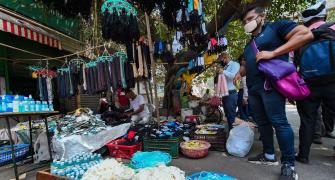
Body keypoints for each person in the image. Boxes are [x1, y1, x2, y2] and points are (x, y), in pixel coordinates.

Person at [237, 4, 313, 180]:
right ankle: (268, 154)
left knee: (279, 122)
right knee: (262, 123)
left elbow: (305, 34)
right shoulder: (249, 44)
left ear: (261, 16)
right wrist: (239, 72)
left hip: (270, 86)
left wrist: (273, 53)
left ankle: (288, 165)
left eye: (250, 19)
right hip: (254, 89)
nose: (247, 23)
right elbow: (248, 64)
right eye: (244, 21)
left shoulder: (276, 27)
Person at [295, 0, 335, 164]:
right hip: (333, 82)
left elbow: (293, 64)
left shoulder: (300, 36)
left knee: (307, 120)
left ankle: (303, 155)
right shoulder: (333, 28)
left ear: (306, 20)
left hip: (308, 85)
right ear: (324, 15)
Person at [220, 52, 240, 130]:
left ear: (225, 57)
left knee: (231, 115)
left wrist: (223, 72)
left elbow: (234, 75)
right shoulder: (226, 67)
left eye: (222, 59)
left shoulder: (235, 64)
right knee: (228, 115)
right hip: (225, 94)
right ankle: (231, 133)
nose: (222, 61)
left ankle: (233, 135)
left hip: (231, 93)